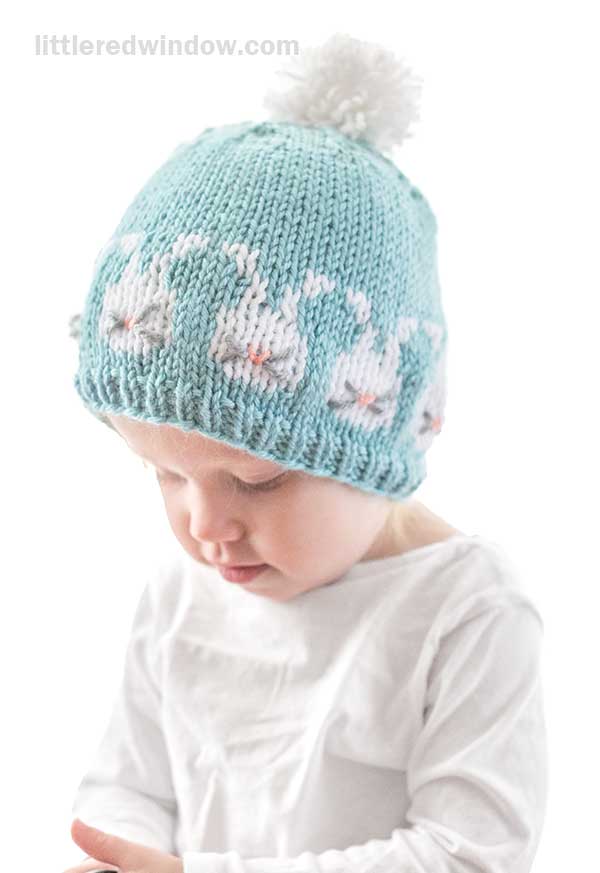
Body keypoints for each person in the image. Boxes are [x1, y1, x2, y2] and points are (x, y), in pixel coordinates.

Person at [64, 32, 547, 873]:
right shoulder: (181, 590)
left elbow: (471, 854)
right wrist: (118, 851)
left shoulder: (465, 611)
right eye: (165, 473)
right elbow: (128, 784)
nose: (205, 525)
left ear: (377, 439)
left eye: (258, 480)